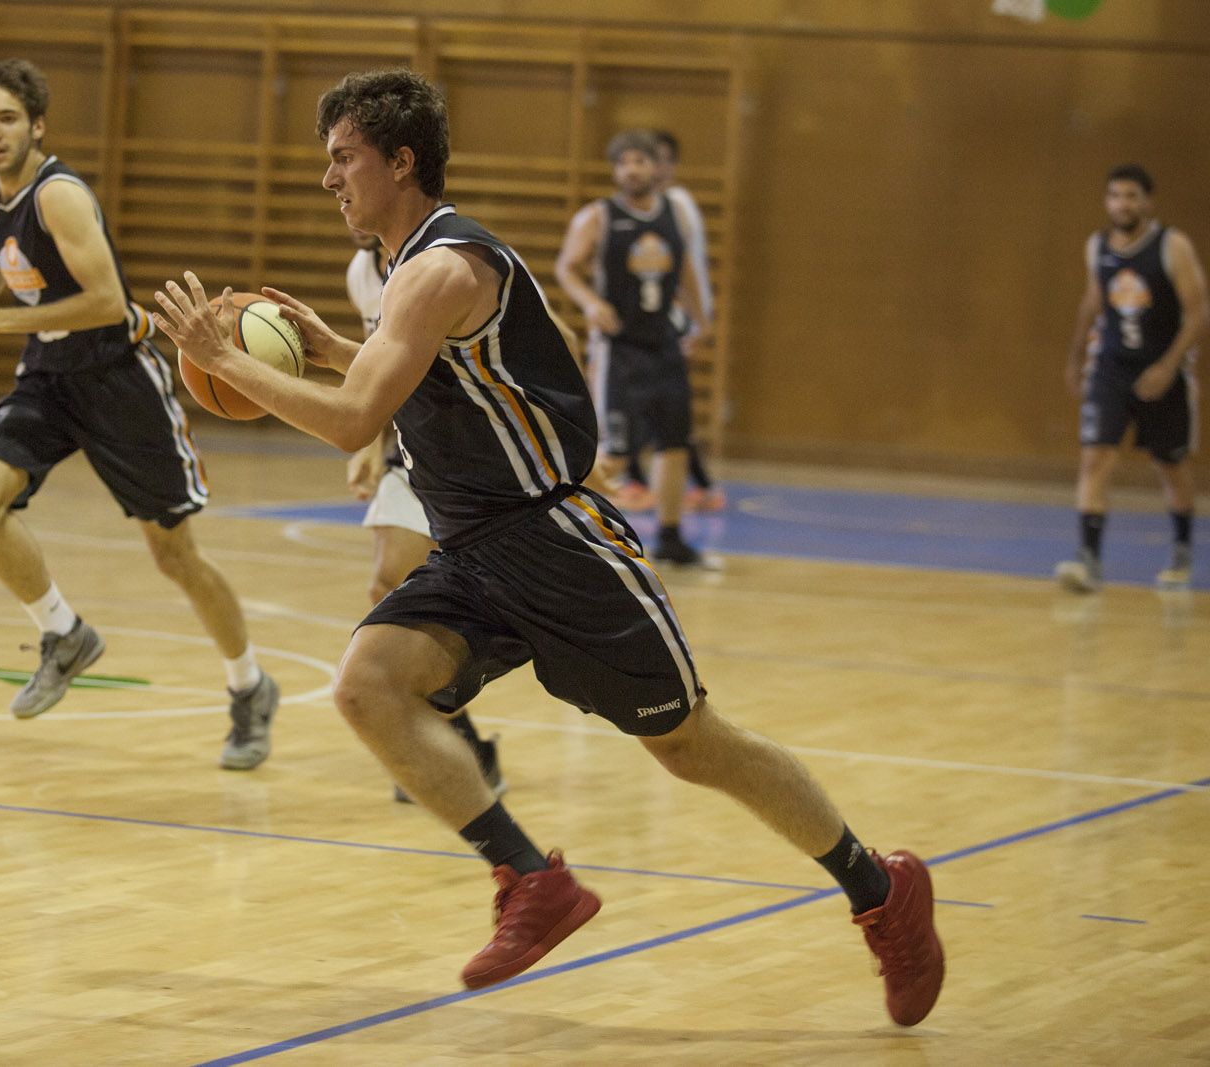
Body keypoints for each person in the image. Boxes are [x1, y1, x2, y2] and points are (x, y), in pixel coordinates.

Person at [154, 68, 944, 1025]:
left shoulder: (444, 268)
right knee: (368, 684)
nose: (329, 179)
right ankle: (532, 878)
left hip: (559, 542)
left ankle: (879, 888)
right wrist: (325, 346)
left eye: (343, 158)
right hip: (476, 549)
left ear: (401, 162)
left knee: (693, 746)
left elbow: (357, 419)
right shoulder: (412, 273)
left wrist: (229, 358)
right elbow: (395, 379)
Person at [0, 58, 278, 769]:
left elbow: (107, 301)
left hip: (117, 378)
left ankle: (250, 686)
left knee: (175, 556)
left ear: (38, 126)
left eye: (7, 118)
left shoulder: (59, 195)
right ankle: (62, 633)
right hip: (48, 376)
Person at [344, 226, 505, 804]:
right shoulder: (364, 272)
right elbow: (380, 369)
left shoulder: (450, 263)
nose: (339, 190)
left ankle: (455, 735)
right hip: (409, 448)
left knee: (436, 599)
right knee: (388, 584)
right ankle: (454, 737)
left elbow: (554, 336)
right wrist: (367, 443)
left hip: (470, 455)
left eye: (351, 164)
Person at [555, 129, 716, 567]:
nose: (632, 170)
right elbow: (567, 267)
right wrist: (591, 302)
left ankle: (670, 535)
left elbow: (684, 273)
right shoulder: (599, 216)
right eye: (623, 163)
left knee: (674, 440)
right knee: (614, 447)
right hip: (618, 346)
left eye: (640, 161)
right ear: (616, 170)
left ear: (656, 166)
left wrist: (699, 323)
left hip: (662, 342)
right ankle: (583, 537)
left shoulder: (674, 216)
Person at [1056, 164, 1207, 593]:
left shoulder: (1171, 246)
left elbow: (1198, 315)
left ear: (1147, 201)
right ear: (1107, 201)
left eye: (1132, 196)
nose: (1123, 204)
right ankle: (1088, 561)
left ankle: (1180, 552)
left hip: (1162, 372)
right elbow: (1093, 300)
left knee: (1170, 466)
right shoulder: (1097, 246)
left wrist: (1167, 367)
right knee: (1095, 456)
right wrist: (1075, 354)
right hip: (1111, 369)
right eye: (1115, 196)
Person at [650, 128, 726, 514]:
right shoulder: (656, 206)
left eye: (663, 160)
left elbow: (681, 271)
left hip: (676, 322)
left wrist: (697, 323)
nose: (656, 168)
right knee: (659, 414)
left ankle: (701, 485)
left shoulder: (674, 205)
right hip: (667, 322)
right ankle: (690, 486)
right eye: (650, 159)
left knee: (667, 415)